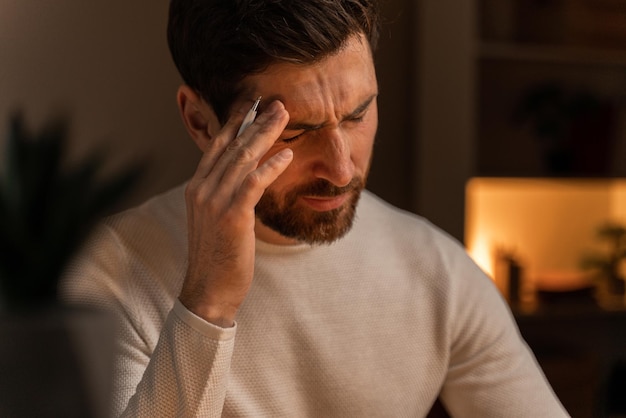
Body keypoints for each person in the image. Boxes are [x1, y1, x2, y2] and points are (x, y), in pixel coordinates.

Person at [62, 0, 569, 416]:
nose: (342, 170)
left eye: (358, 114)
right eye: (295, 132)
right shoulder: (108, 271)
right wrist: (207, 305)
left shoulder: (439, 272)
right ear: (200, 122)